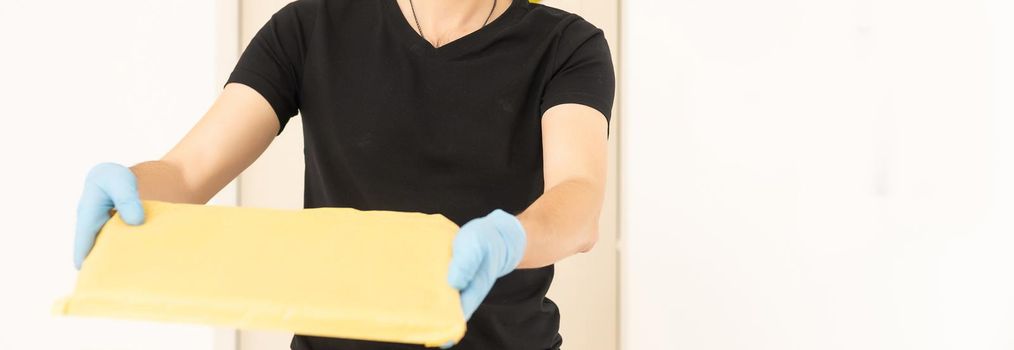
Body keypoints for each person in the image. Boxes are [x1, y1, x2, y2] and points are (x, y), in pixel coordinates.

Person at [72, 0, 614, 348]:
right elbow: (188, 171)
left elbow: (579, 197)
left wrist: (509, 239)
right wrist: (132, 188)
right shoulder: (309, 27)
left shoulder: (566, 45)